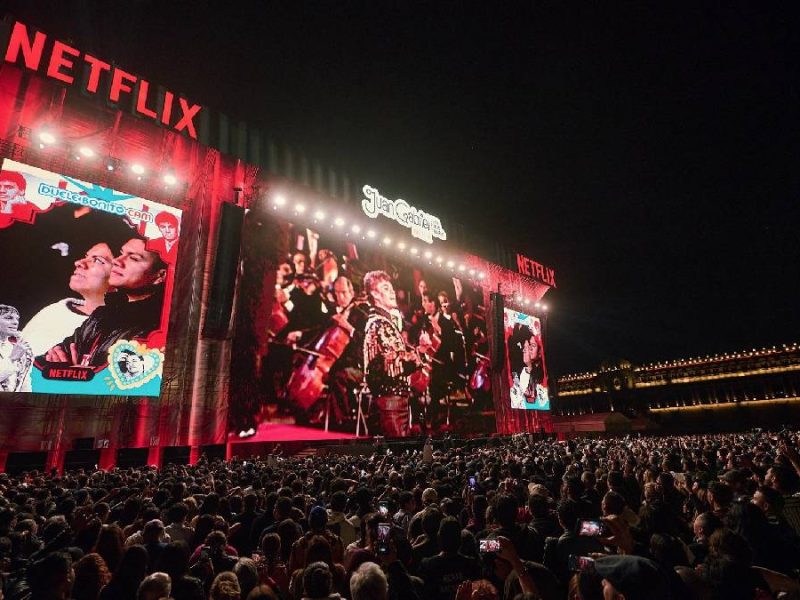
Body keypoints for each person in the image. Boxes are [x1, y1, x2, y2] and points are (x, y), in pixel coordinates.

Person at [42, 237, 167, 367]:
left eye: (134, 258)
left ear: (160, 275)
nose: (117, 261)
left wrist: (78, 373)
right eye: (121, 253)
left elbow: (121, 380)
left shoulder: (155, 327)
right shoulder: (102, 314)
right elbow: (51, 357)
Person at [21, 242, 115, 356]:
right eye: (86, 257)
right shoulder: (56, 309)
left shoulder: (116, 329)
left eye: (98, 260)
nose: (79, 263)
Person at [362, 270, 418, 438]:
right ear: (375, 294)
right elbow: (395, 362)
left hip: (392, 401)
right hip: (390, 403)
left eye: (392, 288)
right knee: (398, 455)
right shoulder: (380, 324)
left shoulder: (382, 322)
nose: (392, 292)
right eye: (386, 288)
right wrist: (414, 358)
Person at [0, 304, 32, 391]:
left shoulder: (19, 349)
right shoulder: (16, 351)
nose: (16, 322)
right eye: (9, 318)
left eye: (17, 319)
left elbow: (24, 384)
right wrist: (12, 358)